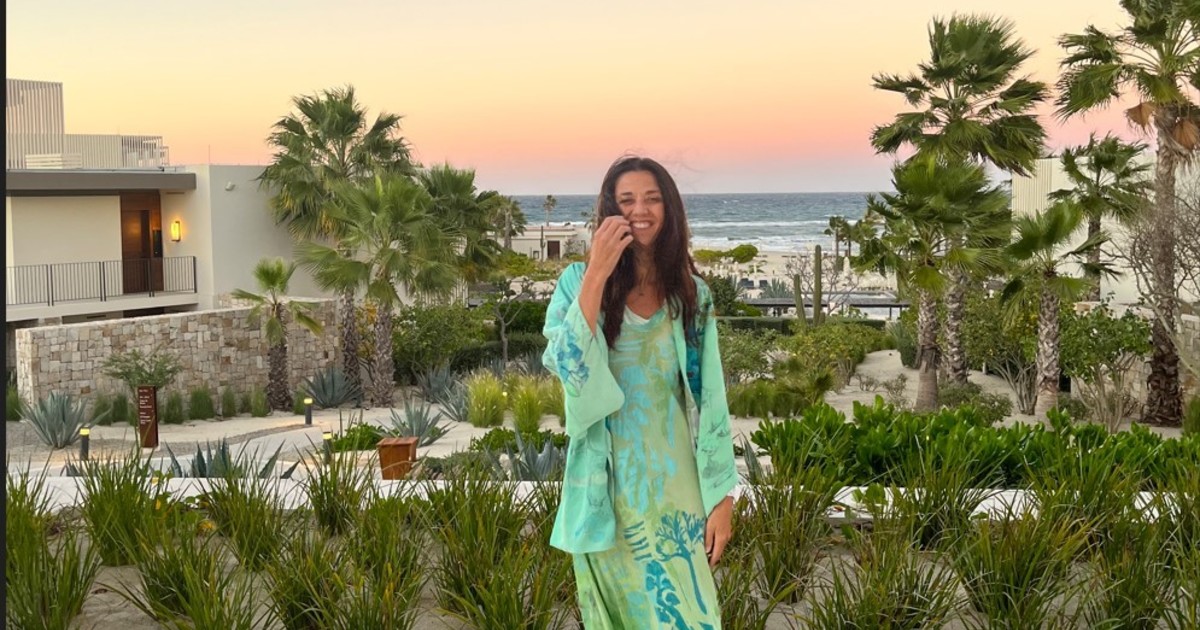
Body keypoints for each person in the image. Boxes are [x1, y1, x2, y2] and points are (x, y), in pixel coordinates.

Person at [542, 155, 738, 628]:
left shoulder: (692, 295)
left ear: (669, 208)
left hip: (677, 490)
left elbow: (712, 399)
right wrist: (597, 272)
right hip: (607, 489)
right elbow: (566, 366)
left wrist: (723, 499)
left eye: (652, 198)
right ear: (610, 210)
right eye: (626, 200)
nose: (640, 210)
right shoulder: (576, 283)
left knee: (692, 615)